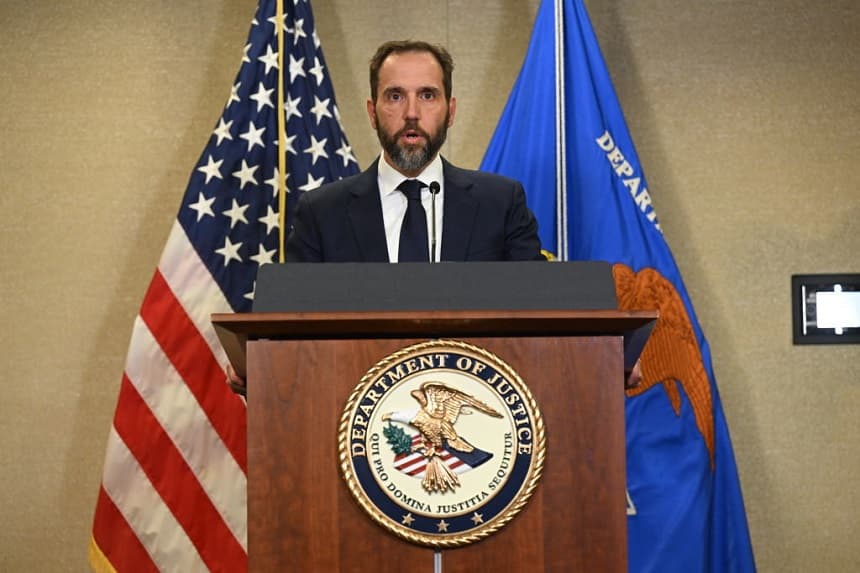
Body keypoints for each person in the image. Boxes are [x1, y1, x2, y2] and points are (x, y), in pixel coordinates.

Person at [284, 40, 546, 263]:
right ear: (372, 112)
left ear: (450, 111)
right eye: (395, 96)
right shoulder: (321, 213)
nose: (411, 113)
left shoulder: (501, 204)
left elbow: (536, 304)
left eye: (427, 95)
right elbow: (297, 314)